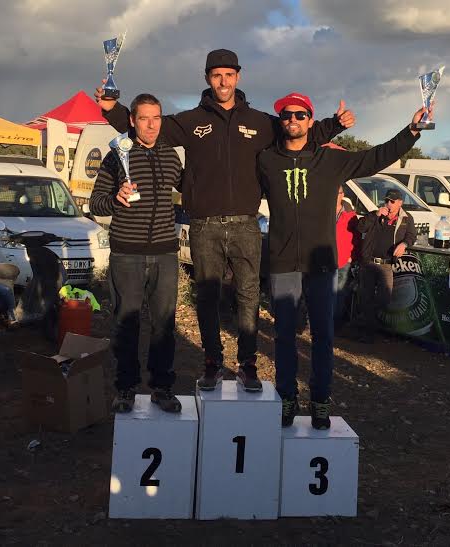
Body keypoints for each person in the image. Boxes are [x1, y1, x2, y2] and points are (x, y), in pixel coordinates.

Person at [95, 49, 355, 392]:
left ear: (238, 77)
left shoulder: (260, 122)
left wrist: (335, 125)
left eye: (229, 75)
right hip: (204, 224)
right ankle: (212, 363)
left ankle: (247, 364)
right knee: (207, 297)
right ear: (207, 78)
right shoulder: (190, 120)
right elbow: (145, 126)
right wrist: (111, 108)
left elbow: (296, 130)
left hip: (246, 223)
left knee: (248, 295)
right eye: (216, 75)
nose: (223, 81)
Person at [257, 92, 428, 429]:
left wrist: (411, 131)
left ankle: (320, 401)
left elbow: (375, 157)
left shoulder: (331, 160)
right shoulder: (266, 160)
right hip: (283, 263)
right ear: (281, 121)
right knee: (284, 335)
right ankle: (287, 398)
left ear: (310, 120)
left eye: (300, 115)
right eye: (287, 115)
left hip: (321, 264)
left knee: (323, 336)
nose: (293, 120)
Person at [89, 94, 183, 413]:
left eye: (156, 118)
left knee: (164, 325)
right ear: (132, 120)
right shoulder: (117, 155)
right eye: (144, 118)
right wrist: (116, 199)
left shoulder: (170, 155)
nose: (151, 125)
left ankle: (162, 387)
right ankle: (126, 388)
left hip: (165, 254)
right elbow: (96, 204)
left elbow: (192, 189)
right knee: (126, 324)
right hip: (126, 254)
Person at [356, 188, 417, 343]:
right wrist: (376, 215)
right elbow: (360, 227)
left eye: (392, 201)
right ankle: (368, 333)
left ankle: (367, 322)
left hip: (386, 264)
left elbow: (412, 236)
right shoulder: (375, 214)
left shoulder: (406, 218)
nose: (388, 204)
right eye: (387, 201)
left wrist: (404, 244)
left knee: (384, 297)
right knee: (366, 296)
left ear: (400, 203)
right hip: (369, 261)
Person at [334, 184, 359, 326]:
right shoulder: (323, 212)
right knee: (323, 292)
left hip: (344, 260)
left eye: (338, 193)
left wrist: (352, 256)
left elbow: (356, 237)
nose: (335, 196)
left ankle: (335, 324)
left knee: (339, 293)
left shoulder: (350, 215)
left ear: (343, 195)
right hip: (326, 259)